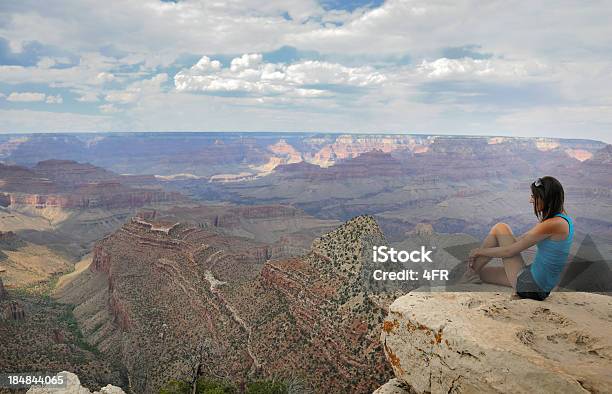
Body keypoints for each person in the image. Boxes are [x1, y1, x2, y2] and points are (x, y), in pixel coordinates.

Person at [464, 176, 574, 300]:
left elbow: (509, 252)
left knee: (500, 227)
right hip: (536, 281)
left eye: (534, 196)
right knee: (482, 274)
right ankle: (470, 274)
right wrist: (503, 243)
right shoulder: (563, 219)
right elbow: (523, 238)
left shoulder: (552, 224)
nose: (530, 200)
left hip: (532, 287)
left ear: (545, 198)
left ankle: (466, 276)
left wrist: (478, 251)